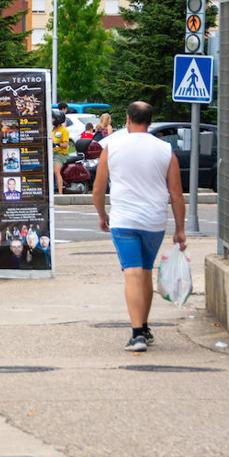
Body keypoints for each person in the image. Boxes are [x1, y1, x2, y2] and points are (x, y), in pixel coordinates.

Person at [93, 101, 187, 353]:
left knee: (132, 272)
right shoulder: (165, 149)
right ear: (150, 121)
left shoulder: (112, 146)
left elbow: (98, 189)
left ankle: (137, 335)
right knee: (144, 271)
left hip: (123, 221)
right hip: (154, 221)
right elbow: (177, 194)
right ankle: (143, 326)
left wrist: (102, 215)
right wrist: (180, 229)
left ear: (127, 119)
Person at [51, 111, 71, 194]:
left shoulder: (64, 130)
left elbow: (66, 144)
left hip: (60, 154)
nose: (52, 120)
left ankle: (60, 193)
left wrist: (57, 144)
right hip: (52, 153)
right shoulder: (53, 129)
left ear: (58, 119)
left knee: (56, 171)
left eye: (53, 118)